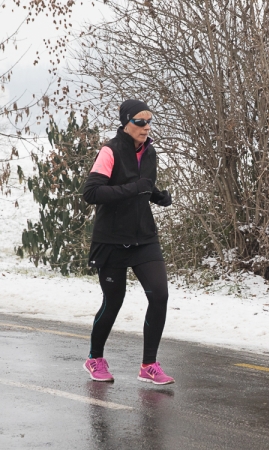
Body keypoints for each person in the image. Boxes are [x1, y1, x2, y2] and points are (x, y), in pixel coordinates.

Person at [81, 99, 174, 385]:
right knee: (113, 301)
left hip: (143, 236)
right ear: (126, 123)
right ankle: (95, 358)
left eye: (149, 121)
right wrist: (134, 189)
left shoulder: (150, 152)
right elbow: (92, 192)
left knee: (159, 295)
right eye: (140, 122)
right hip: (111, 240)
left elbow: (142, 184)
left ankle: (149, 365)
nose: (146, 127)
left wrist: (156, 196)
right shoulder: (110, 151)